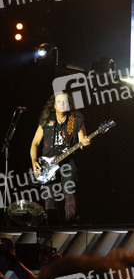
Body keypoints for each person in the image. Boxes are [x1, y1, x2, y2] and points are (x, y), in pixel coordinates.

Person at [30, 92, 91, 223]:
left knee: (69, 190)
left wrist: (85, 143)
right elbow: (35, 143)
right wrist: (34, 161)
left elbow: (82, 143)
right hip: (48, 163)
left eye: (65, 102)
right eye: (59, 102)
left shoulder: (75, 121)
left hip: (68, 161)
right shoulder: (46, 121)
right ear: (54, 105)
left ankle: (72, 223)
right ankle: (51, 224)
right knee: (49, 195)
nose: (62, 104)